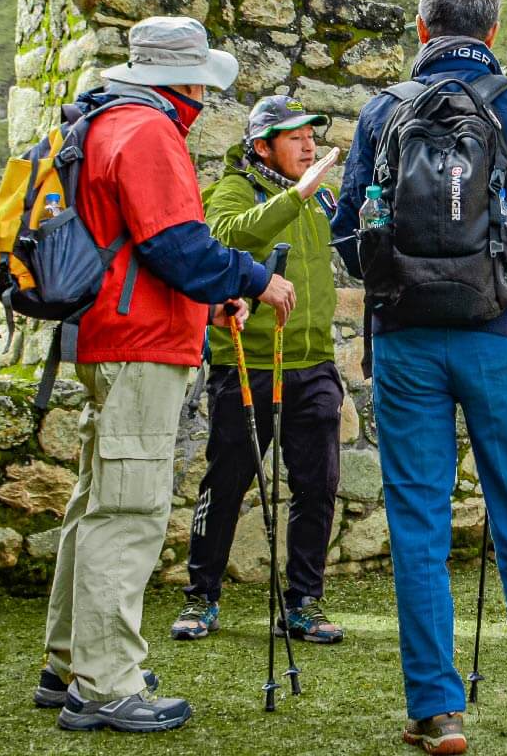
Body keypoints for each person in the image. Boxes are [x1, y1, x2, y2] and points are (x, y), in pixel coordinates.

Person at [337, 0, 507, 753]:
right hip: (502, 335)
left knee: (418, 520)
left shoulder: (382, 113)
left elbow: (350, 238)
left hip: (406, 338)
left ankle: (437, 712)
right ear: (492, 33)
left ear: (420, 30)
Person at [35, 16, 296, 733]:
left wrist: (205, 305)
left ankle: (70, 662)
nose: (204, 99)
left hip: (112, 334)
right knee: (128, 510)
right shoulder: (147, 132)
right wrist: (251, 279)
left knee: (93, 504)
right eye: (202, 85)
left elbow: (140, 252)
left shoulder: (107, 121)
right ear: (183, 79)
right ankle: (106, 684)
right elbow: (179, 247)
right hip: (139, 344)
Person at [172, 95, 351, 645]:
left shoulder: (322, 198)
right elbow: (223, 237)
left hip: (314, 362)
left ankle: (303, 602)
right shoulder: (234, 188)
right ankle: (201, 598)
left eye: (311, 135)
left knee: (317, 487)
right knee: (226, 483)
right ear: (262, 146)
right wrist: (295, 197)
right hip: (245, 363)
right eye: (294, 136)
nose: (308, 144)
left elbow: (352, 242)